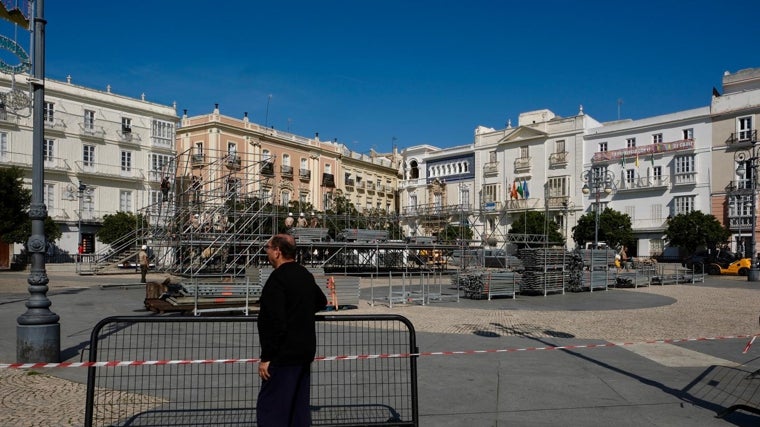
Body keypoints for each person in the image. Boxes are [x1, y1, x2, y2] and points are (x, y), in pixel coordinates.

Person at [256, 234, 327, 426]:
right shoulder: (304, 274)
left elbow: (274, 322)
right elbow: (321, 301)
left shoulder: (277, 279)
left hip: (283, 355)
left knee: (272, 409)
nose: (267, 252)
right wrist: (300, 312)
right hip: (304, 351)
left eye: (268, 248)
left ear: (278, 252)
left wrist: (266, 357)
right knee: (298, 408)